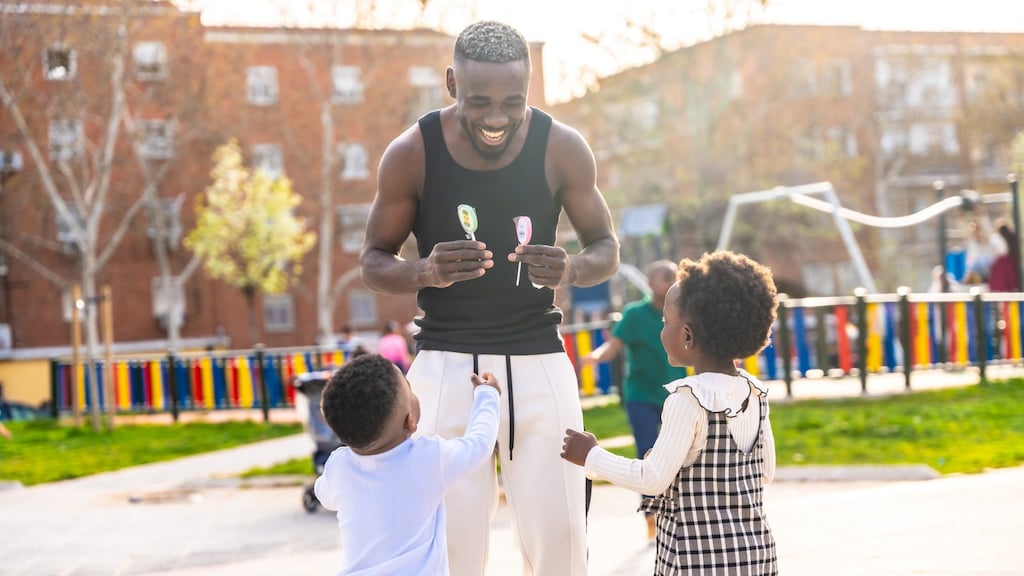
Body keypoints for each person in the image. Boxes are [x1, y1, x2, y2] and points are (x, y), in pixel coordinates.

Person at [359, 20, 619, 576]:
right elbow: (373, 262)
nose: (497, 118)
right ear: (452, 83)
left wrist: (572, 267)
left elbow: (606, 247)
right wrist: (424, 271)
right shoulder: (412, 152)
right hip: (446, 364)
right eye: (481, 101)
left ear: (530, 88)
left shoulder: (563, 147)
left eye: (513, 101)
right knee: (450, 543)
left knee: (561, 538)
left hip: (539, 360)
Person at [562, 251, 779, 575]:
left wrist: (591, 456)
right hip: (754, 555)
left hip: (698, 560)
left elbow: (651, 479)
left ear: (687, 336)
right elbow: (765, 471)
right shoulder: (755, 392)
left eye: (666, 322)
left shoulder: (688, 399)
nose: (661, 330)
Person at [314, 354, 501, 575]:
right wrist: (488, 396)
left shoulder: (339, 467)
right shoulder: (429, 458)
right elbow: (478, 444)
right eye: (410, 389)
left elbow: (324, 495)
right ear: (410, 421)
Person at [580, 259, 687, 540]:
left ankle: (678, 511)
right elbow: (613, 346)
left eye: (676, 276)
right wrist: (595, 356)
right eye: (666, 276)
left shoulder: (685, 312)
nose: (673, 280)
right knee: (647, 452)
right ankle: (651, 515)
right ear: (650, 283)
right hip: (641, 394)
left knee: (681, 453)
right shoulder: (634, 314)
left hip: (677, 395)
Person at [987, 218, 1019, 292]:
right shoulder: (1006, 237)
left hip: (1003, 261)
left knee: (1002, 282)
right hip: (1005, 261)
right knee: (1007, 282)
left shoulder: (996, 237)